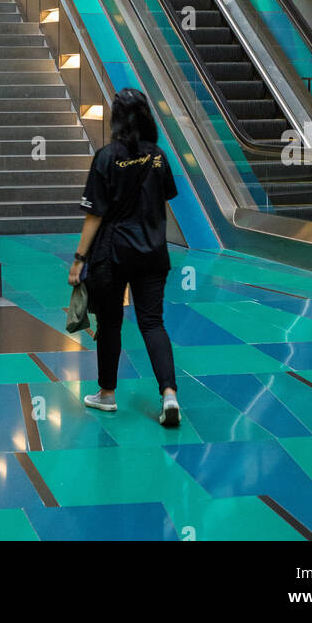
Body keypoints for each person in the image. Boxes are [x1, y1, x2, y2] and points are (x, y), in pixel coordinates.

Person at [68, 87, 181, 427]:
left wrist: (78, 259)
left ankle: (106, 394)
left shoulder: (105, 157)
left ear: (116, 120)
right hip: (152, 252)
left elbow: (95, 216)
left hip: (112, 254)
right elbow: (165, 199)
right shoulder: (158, 156)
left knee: (111, 323)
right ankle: (169, 394)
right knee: (152, 322)